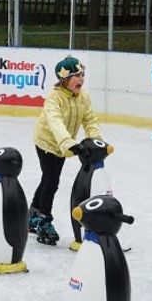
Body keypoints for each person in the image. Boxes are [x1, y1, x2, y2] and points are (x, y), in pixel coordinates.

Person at [28, 56, 102, 245]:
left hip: (62, 145)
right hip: (47, 142)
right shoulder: (55, 98)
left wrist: (96, 141)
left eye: (82, 75)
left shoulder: (83, 97)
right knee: (52, 180)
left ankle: (34, 212)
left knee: (48, 178)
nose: (81, 79)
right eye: (76, 76)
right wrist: (68, 143)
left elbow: (89, 119)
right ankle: (44, 220)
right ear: (64, 79)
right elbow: (55, 122)